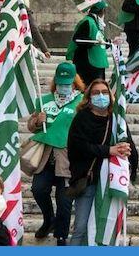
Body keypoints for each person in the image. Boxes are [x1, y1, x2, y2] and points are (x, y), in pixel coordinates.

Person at [67, 79, 138, 245]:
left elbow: (129, 144)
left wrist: (129, 159)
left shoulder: (116, 120)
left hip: (111, 182)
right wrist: (109, 150)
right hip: (89, 180)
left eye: (105, 92)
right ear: (89, 97)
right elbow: (79, 147)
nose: (101, 96)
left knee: (105, 227)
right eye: (96, 92)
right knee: (81, 227)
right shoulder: (82, 118)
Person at [26, 63, 84, 246]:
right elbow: (30, 126)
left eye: (67, 83)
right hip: (45, 157)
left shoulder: (82, 102)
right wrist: (37, 121)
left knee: (64, 201)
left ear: (75, 83)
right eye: (60, 82)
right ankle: (48, 219)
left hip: (68, 159)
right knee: (38, 189)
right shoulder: (44, 100)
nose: (64, 86)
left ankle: (61, 236)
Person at [66, 1, 109, 87]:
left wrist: (109, 42)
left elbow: (100, 40)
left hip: (97, 62)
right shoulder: (87, 22)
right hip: (87, 64)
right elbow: (78, 39)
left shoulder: (97, 24)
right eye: (104, 10)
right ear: (102, 11)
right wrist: (94, 43)